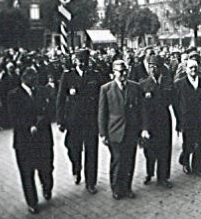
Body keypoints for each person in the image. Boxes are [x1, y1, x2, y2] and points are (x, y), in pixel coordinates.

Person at [7, 66, 55, 214]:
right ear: (24, 79)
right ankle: (32, 202)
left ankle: (47, 187)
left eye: (36, 78)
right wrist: (29, 126)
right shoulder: (13, 95)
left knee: (46, 167)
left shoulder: (41, 91)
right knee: (27, 173)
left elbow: (50, 111)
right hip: (25, 140)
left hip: (43, 138)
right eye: (32, 78)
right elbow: (13, 117)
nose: (35, 81)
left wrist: (40, 122)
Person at [55, 48, 104, 194]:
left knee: (91, 151)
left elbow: (101, 98)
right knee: (73, 148)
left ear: (88, 61)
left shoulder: (95, 75)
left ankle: (91, 183)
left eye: (84, 60)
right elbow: (60, 99)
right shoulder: (68, 76)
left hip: (91, 120)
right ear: (74, 60)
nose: (81, 62)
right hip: (73, 121)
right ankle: (76, 167)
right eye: (78, 60)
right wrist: (60, 120)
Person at [98, 59, 144, 200]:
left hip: (131, 131)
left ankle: (127, 187)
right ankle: (116, 188)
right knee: (117, 161)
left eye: (125, 71)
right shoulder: (106, 89)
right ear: (113, 72)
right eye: (119, 71)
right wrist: (103, 134)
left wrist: (142, 129)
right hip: (115, 132)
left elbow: (141, 110)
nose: (123, 74)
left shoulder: (135, 87)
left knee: (130, 160)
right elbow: (102, 113)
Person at [138, 54, 174, 188]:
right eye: (151, 66)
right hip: (149, 122)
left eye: (156, 67)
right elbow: (141, 108)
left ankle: (163, 177)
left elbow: (173, 101)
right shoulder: (143, 83)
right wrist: (143, 127)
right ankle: (149, 173)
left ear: (161, 68)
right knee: (149, 150)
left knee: (164, 150)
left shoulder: (167, 82)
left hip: (164, 120)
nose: (153, 69)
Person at [172, 59, 201, 177]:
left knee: (200, 144)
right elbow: (176, 105)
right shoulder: (179, 84)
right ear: (186, 69)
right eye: (190, 68)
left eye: (195, 67)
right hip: (187, 120)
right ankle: (185, 161)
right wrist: (179, 121)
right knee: (188, 143)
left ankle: (198, 168)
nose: (193, 70)